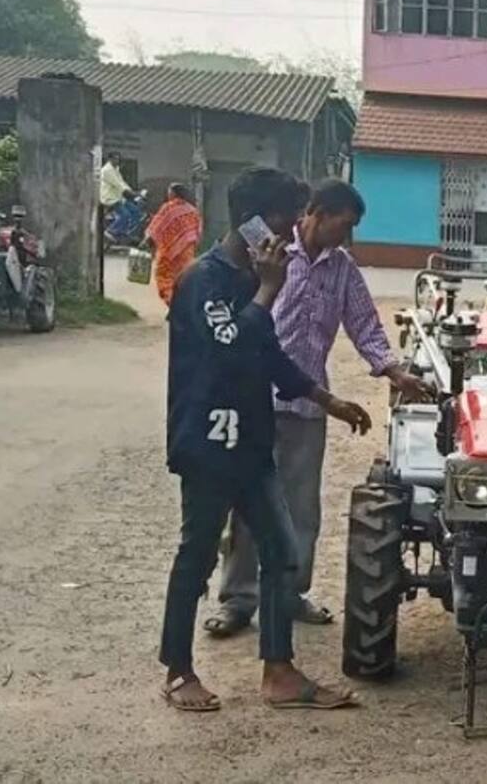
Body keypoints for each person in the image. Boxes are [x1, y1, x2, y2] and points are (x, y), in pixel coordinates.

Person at [157, 166, 371, 714]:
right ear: (252, 222)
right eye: (281, 220)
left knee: (278, 552)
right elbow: (229, 350)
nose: (286, 232)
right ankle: (179, 671)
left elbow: (269, 355)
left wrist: (327, 400)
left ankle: (279, 670)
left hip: (251, 444)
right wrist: (272, 287)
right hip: (208, 445)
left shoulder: (248, 277)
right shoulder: (204, 280)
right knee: (197, 555)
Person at [210, 179, 428, 636]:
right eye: (343, 225)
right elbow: (239, 220)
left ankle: (289, 593)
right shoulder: (266, 249)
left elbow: (364, 324)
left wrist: (394, 371)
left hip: (308, 407)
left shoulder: (342, 269)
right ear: (316, 212)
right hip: (256, 398)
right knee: (248, 504)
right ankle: (238, 599)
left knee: (300, 508)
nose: (346, 237)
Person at [144, 183, 203, 306]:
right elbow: (198, 231)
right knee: (183, 280)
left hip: (168, 252)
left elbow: (156, 226)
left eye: (169, 192)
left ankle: (173, 304)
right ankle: (184, 305)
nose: (168, 194)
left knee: (164, 277)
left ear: (174, 193)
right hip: (187, 253)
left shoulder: (168, 208)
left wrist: (148, 239)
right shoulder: (192, 210)